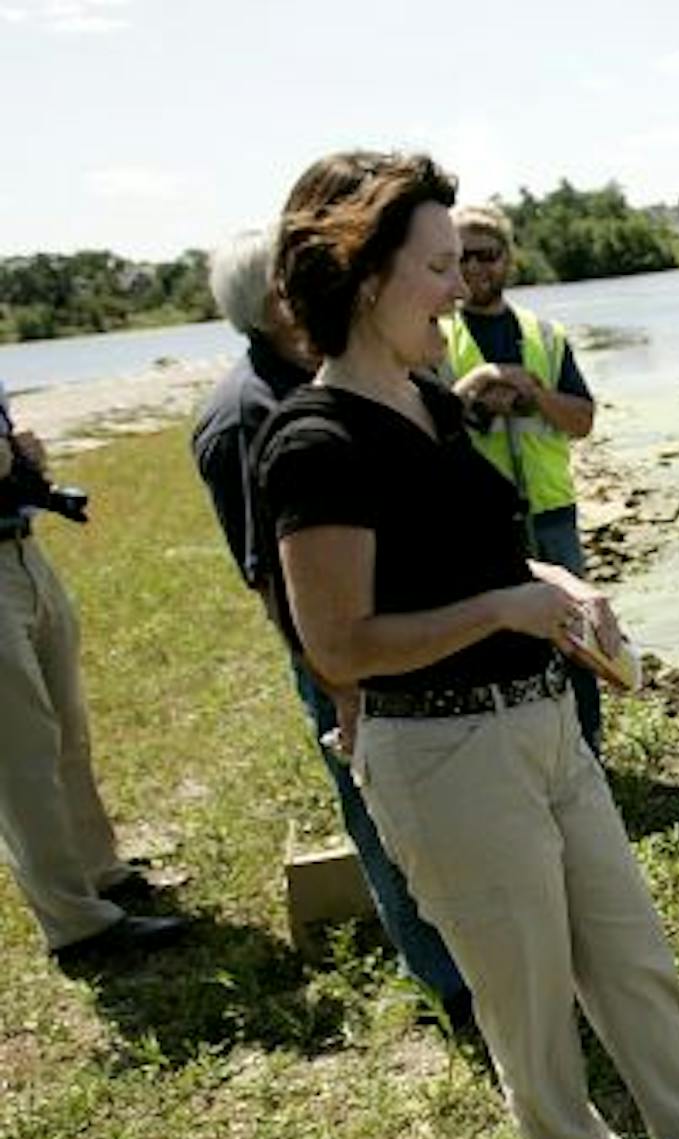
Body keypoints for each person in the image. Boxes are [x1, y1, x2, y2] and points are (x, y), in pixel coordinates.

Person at [258, 151, 679, 1139]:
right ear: (366, 279)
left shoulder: (426, 400)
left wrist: (559, 587)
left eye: (462, 263)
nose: (460, 288)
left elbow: (492, 556)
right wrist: (502, 614)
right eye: (437, 265)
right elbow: (340, 646)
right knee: (529, 996)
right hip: (443, 756)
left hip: (545, 728)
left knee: (627, 948)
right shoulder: (313, 443)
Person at [192, 225, 470, 1020]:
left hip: (391, 637)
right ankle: (449, 986)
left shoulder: (320, 378)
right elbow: (273, 580)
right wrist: (341, 687)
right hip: (344, 656)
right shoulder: (250, 413)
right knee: (384, 821)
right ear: (278, 300)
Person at [0, 384, 188, 959]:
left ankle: (98, 871)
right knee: (20, 753)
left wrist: (23, 456)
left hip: (23, 550)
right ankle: (77, 925)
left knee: (66, 730)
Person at [439, 204, 603, 753]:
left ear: (509, 259)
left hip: (552, 513)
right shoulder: (433, 335)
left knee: (575, 635)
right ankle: (521, 754)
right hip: (474, 524)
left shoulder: (544, 335)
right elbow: (423, 429)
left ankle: (587, 750)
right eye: (462, 258)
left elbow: (581, 420)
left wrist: (533, 393)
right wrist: (479, 384)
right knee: (494, 643)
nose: (476, 269)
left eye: (488, 255)